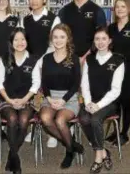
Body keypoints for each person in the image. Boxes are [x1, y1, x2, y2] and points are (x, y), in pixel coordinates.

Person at [79, 26, 125, 174]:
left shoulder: (118, 61)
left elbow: (116, 90)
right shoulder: (90, 59)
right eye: (97, 39)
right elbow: (84, 83)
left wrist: (98, 105)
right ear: (94, 41)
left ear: (110, 40)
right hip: (90, 101)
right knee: (83, 118)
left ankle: (98, 156)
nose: (100, 42)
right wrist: (88, 103)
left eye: (103, 39)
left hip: (110, 103)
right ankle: (104, 151)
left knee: (95, 120)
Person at [0, 27, 41, 174]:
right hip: (6, 99)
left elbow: (36, 84)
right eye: (16, 40)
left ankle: (11, 156)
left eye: (23, 39)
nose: (20, 42)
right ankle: (16, 158)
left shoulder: (33, 60)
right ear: (11, 42)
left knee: (23, 120)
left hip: (27, 99)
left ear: (27, 41)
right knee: (13, 119)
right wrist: (9, 99)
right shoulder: (4, 58)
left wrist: (24, 100)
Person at [38, 23, 84, 169]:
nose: (58, 40)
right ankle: (70, 142)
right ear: (52, 39)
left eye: (62, 37)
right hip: (50, 95)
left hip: (69, 97)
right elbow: (43, 81)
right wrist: (49, 98)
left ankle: (69, 151)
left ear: (68, 39)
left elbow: (76, 84)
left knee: (60, 120)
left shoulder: (74, 59)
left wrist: (63, 100)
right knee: (45, 118)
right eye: (55, 37)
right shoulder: (46, 58)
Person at [23, 0, 61, 147]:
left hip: (49, 63)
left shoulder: (54, 18)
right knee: (32, 96)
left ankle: (52, 131)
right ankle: (33, 126)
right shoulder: (25, 19)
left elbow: (55, 44)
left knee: (48, 96)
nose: (34, 0)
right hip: (30, 65)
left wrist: (40, 62)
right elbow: (21, 43)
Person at [106, 0, 130, 146]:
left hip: (129, 70)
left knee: (126, 102)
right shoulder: (111, 28)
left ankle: (124, 133)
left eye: (123, 6)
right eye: (117, 7)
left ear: (129, 8)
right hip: (113, 70)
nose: (119, 9)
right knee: (115, 102)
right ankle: (116, 131)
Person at [59, 0, 107, 65]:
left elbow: (101, 38)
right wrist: (69, 56)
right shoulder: (64, 11)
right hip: (68, 59)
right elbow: (59, 36)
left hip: (91, 59)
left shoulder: (97, 11)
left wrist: (84, 58)